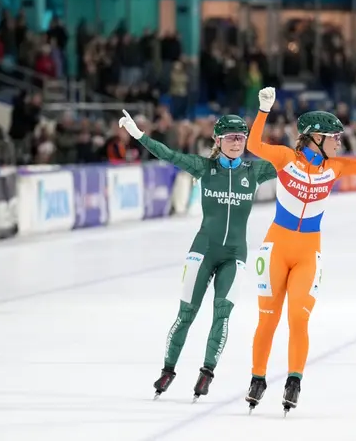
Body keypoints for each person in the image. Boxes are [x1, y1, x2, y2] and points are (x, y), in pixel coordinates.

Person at [244, 87, 356, 415]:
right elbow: (253, 146)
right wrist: (263, 110)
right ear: (315, 138)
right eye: (334, 136)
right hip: (277, 247)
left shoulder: (334, 167)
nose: (339, 141)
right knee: (268, 319)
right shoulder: (285, 158)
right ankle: (257, 378)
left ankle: (294, 380)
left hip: (308, 251)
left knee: (298, 318)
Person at [117, 110, 277, 402]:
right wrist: (139, 135)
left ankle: (207, 372)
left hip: (235, 254)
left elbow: (290, 162)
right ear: (218, 139)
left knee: (222, 314)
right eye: (230, 137)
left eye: (241, 137)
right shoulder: (203, 167)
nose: (236, 142)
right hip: (203, 251)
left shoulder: (255, 171)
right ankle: (168, 370)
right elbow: (168, 154)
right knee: (186, 314)